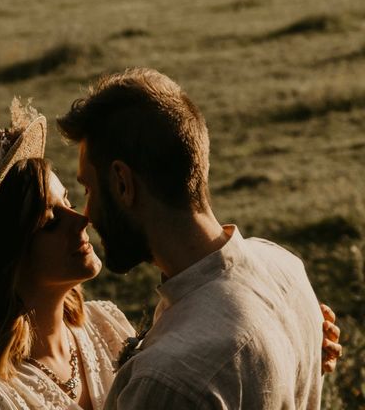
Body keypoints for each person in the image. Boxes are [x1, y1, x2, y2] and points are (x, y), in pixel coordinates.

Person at [0, 97, 341, 410]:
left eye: (72, 197)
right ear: (10, 258)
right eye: (51, 220)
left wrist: (285, 339)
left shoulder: (104, 326)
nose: (80, 219)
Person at [55, 68, 343, 409]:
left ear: (122, 183)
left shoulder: (168, 381)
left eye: (88, 189)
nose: (85, 214)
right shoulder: (285, 268)